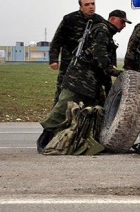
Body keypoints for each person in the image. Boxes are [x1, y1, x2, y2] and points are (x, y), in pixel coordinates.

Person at [37, 9, 131, 153]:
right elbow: (99, 56)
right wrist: (116, 72)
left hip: (91, 82)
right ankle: (45, 138)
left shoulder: (106, 33)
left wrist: (108, 84)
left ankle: (89, 143)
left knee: (95, 113)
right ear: (112, 19)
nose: (124, 25)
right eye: (122, 22)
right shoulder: (102, 30)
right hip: (78, 79)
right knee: (62, 108)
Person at [49, 0, 105, 104]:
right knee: (63, 93)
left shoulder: (100, 21)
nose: (91, 7)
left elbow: (105, 45)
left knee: (92, 95)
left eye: (93, 4)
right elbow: (57, 40)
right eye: (87, 4)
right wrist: (53, 59)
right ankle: (57, 119)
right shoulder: (69, 19)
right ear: (80, 7)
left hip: (89, 66)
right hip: (69, 63)